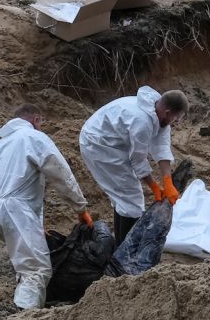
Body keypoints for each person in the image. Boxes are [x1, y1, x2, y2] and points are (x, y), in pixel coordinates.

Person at [0, 103, 91, 310]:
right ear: (36, 120)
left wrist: (36, 224)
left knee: (25, 260)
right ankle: (25, 316)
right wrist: (81, 208)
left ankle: (23, 301)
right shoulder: (34, 137)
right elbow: (60, 174)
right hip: (13, 209)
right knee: (36, 269)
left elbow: (21, 186)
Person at [79, 87, 188, 245]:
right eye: (175, 118)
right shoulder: (142, 121)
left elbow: (161, 147)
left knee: (125, 198)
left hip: (114, 141)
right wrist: (155, 187)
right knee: (132, 199)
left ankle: (119, 246)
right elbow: (137, 160)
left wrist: (168, 181)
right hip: (98, 144)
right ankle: (125, 253)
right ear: (168, 112)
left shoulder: (159, 112)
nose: (175, 123)